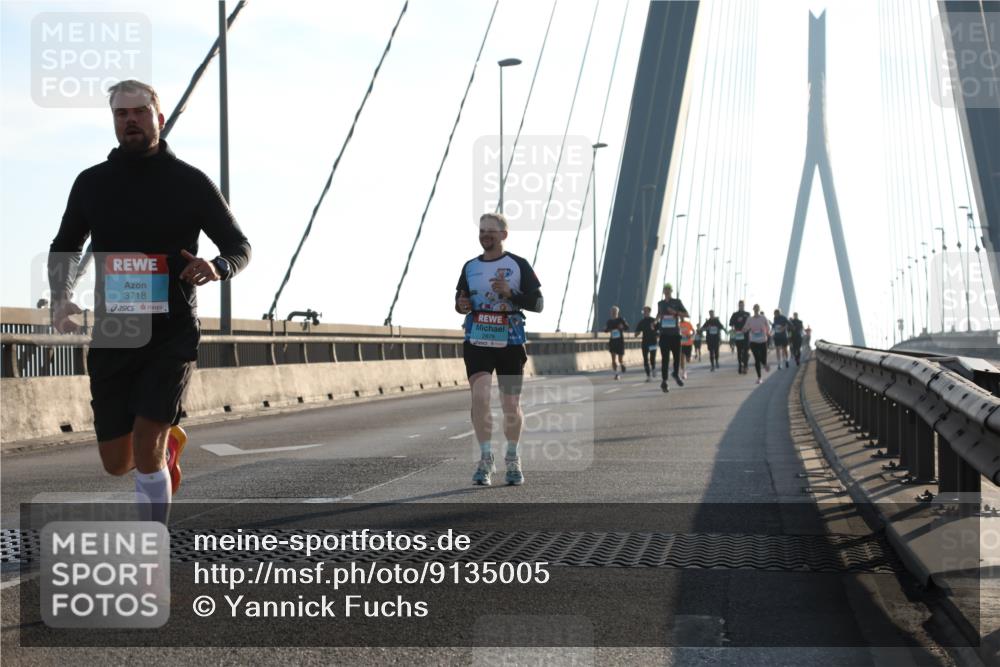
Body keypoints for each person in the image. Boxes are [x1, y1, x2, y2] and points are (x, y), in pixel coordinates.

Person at [48, 80, 251, 522]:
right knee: (116, 461)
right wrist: (61, 299)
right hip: (115, 331)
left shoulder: (190, 182)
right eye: (121, 114)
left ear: (158, 119)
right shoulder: (92, 183)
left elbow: (239, 245)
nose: (131, 120)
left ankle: (151, 544)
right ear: (114, 122)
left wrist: (217, 266)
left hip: (171, 330)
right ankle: (167, 447)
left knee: (145, 445)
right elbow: (64, 245)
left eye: (139, 112)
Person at [456, 212, 543, 486]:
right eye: (482, 231)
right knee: (480, 397)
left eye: (491, 231)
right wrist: (462, 305)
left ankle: (513, 457)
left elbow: (538, 304)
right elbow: (460, 298)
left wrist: (511, 294)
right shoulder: (470, 267)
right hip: (478, 337)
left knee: (510, 405)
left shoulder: (518, 265)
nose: (485, 235)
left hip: (510, 339)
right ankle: (485, 459)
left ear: (503, 235)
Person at [656, 283, 689, 392]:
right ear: (663, 291)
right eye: (665, 289)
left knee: (677, 357)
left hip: (675, 334)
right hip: (664, 335)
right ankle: (664, 381)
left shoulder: (677, 302)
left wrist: (675, 312)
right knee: (665, 359)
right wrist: (655, 321)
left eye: (669, 289)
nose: (667, 291)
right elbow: (659, 314)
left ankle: (675, 374)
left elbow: (686, 314)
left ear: (671, 291)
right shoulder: (660, 303)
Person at [742, 304, 771, 384]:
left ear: (759, 309)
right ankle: (759, 378)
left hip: (762, 341)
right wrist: (744, 329)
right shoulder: (750, 319)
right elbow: (746, 327)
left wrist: (767, 332)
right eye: (755, 308)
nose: (756, 310)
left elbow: (768, 327)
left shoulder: (763, 318)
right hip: (753, 341)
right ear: (753, 309)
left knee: (763, 359)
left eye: (757, 308)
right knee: (757, 359)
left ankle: (765, 364)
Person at [634, 306, 659, 381]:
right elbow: (637, 332)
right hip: (645, 342)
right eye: (643, 311)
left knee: (652, 358)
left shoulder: (654, 321)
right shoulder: (641, 322)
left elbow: (660, 330)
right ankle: (648, 376)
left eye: (645, 311)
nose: (644, 313)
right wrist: (636, 334)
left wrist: (658, 335)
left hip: (653, 342)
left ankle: (653, 368)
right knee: (645, 359)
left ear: (649, 312)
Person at [604, 306, 629, 380]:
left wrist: (622, 327)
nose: (613, 313)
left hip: (620, 341)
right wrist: (606, 329)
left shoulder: (621, 320)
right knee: (613, 360)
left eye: (615, 312)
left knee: (620, 359)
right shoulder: (609, 321)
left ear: (617, 312)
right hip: (612, 341)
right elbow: (606, 330)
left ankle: (622, 364)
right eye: (612, 312)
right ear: (610, 313)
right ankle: (616, 374)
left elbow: (627, 327)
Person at [729, 300, 750, 374]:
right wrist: (734, 327)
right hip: (738, 335)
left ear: (744, 306)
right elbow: (730, 323)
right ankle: (740, 366)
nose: (741, 306)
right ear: (738, 306)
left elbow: (750, 323)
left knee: (745, 351)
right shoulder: (735, 314)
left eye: (742, 305)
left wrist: (746, 328)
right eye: (740, 305)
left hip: (746, 335)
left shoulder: (747, 314)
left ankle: (745, 366)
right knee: (739, 351)